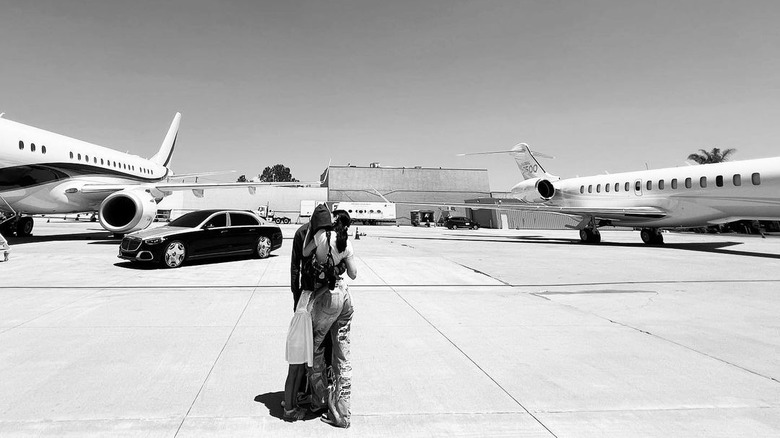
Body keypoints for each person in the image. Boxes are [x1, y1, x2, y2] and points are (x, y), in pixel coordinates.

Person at [304, 209, 357, 428]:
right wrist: (341, 263)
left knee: (315, 350)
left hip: (327, 298)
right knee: (342, 355)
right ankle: (342, 413)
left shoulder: (321, 237)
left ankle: (320, 400)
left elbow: (306, 253)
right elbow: (353, 273)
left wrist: (311, 230)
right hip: (345, 299)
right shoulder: (345, 241)